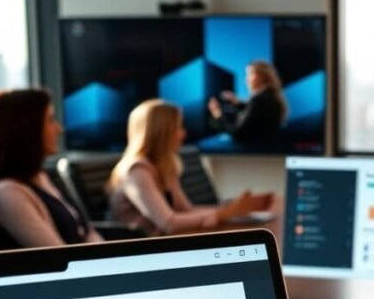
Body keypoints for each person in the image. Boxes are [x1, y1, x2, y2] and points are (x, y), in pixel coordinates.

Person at [107, 99, 273, 235]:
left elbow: (187, 210)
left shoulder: (164, 165)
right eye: (178, 128)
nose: (183, 134)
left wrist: (232, 210)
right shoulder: (136, 171)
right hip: (141, 254)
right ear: (161, 133)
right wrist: (222, 214)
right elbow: (169, 223)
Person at [0, 88, 102, 247]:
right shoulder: (8, 193)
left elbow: (87, 231)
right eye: (50, 120)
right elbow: (56, 255)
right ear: (26, 130)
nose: (59, 129)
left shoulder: (41, 177)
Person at [207, 60, 287, 143]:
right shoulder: (270, 97)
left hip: (254, 152)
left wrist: (218, 115)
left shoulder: (259, 100)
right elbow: (255, 116)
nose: (246, 79)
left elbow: (237, 133)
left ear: (262, 76)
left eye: (250, 74)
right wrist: (237, 102)